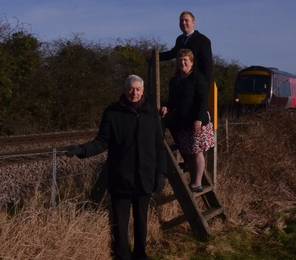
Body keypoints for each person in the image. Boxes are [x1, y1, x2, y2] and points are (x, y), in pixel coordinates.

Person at [66, 74, 166, 260]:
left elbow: (159, 144)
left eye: (137, 89)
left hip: (145, 176)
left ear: (143, 90)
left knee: (141, 220)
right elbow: (102, 141)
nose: (134, 93)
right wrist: (82, 150)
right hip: (121, 177)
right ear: (124, 89)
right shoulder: (112, 113)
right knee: (120, 222)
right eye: (130, 89)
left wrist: (161, 173)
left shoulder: (151, 112)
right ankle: (122, 255)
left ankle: (140, 254)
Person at [160, 49, 214, 193]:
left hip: (198, 121)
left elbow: (203, 101)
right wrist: (166, 105)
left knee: (197, 152)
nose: (182, 63)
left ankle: (197, 183)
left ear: (191, 62)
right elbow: (173, 100)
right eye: (180, 60)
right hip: (183, 121)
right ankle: (194, 179)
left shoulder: (198, 77)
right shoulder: (174, 81)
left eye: (185, 60)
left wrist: (198, 120)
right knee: (188, 151)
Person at [159, 11, 213, 85]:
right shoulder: (179, 39)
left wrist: (204, 87)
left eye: (186, 20)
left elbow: (207, 66)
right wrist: (155, 56)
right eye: (181, 21)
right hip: (181, 82)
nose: (183, 23)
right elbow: (173, 53)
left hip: (195, 83)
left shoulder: (203, 40)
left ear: (193, 23)